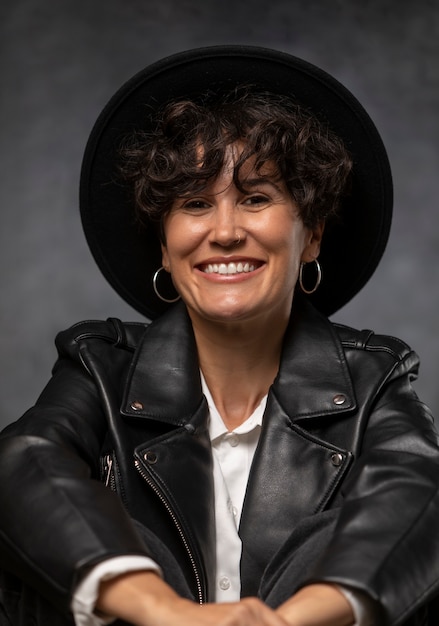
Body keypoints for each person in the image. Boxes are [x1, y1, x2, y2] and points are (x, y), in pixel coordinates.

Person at [0, 45, 439, 626]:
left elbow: (419, 495)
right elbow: (23, 466)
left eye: (256, 199)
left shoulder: (373, 377)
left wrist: (287, 621)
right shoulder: (99, 365)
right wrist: (168, 613)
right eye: (196, 203)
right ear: (164, 242)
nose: (225, 231)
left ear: (311, 236)